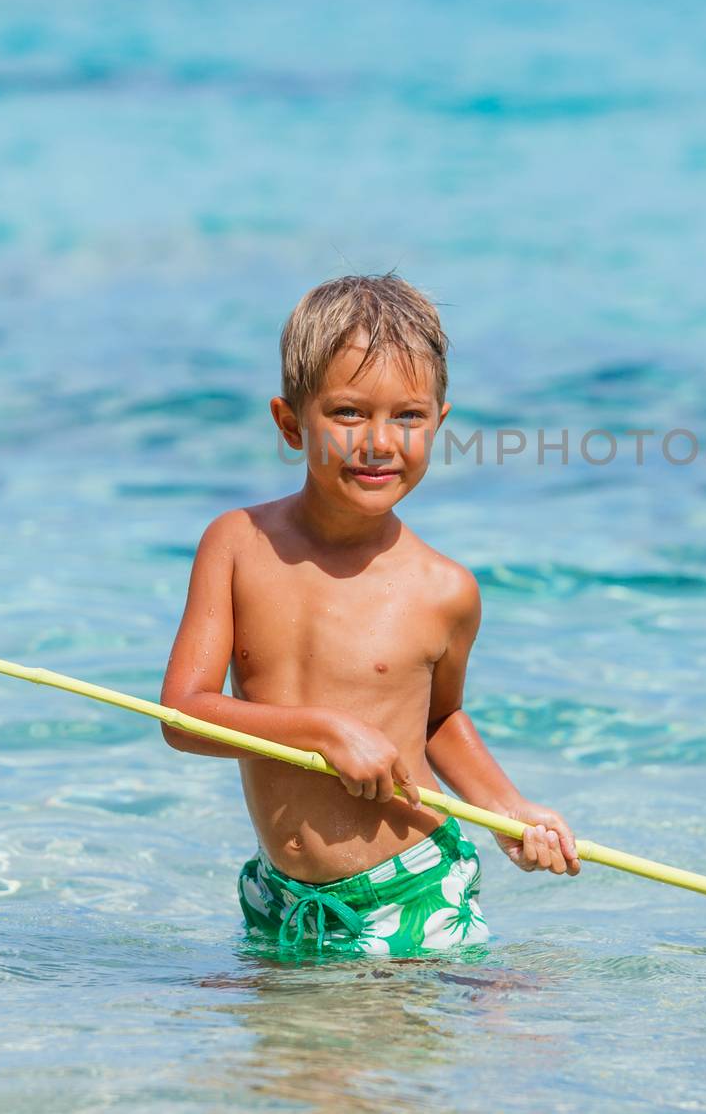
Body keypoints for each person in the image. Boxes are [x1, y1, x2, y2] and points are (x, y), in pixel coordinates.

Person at [159, 272, 579, 957]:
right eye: (349, 413)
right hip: (284, 899)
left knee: (420, 1061)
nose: (380, 442)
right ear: (291, 423)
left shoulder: (444, 588)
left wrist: (509, 810)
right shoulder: (235, 544)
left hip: (411, 888)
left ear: (439, 423)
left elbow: (438, 720)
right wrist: (322, 730)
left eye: (409, 416)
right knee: (279, 1066)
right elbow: (182, 715)